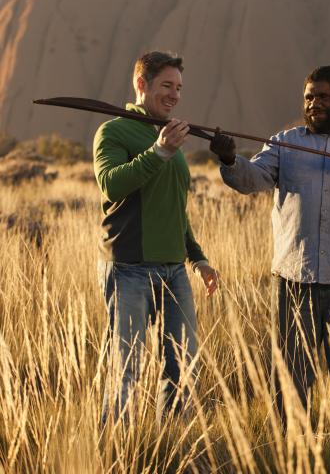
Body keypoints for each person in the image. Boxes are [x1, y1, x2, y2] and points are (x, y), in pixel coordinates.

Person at [210, 65, 330, 411]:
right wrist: (229, 159)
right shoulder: (285, 143)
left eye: (323, 97)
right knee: (290, 381)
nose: (313, 103)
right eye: (308, 97)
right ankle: (290, 452)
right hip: (294, 281)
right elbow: (251, 180)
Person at [93, 50, 219, 427]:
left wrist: (197, 258)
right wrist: (160, 151)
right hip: (129, 268)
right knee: (125, 366)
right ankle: (115, 449)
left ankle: (172, 445)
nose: (175, 95)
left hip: (174, 271)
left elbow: (175, 208)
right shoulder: (113, 131)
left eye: (179, 88)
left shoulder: (169, 137)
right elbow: (112, 185)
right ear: (141, 84)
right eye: (167, 85)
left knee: (182, 364)